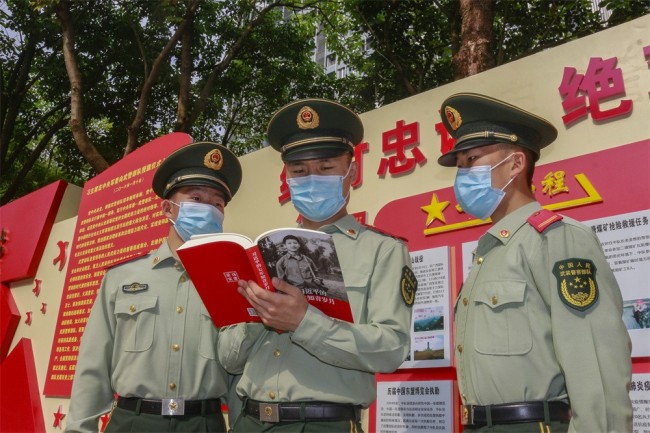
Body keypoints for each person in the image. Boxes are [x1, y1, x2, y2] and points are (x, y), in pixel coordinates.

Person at [217, 98, 417, 433]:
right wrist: (258, 314)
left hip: (323, 424)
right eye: (299, 171)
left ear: (351, 171)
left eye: (326, 168)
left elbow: (390, 349)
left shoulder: (381, 249)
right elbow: (229, 359)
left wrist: (303, 321)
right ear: (287, 178)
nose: (312, 179)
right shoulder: (261, 253)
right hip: (249, 420)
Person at [438, 93, 632, 432]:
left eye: (473, 159)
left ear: (515, 164)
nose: (464, 173)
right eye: (461, 166)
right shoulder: (492, 250)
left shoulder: (556, 239)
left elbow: (597, 368)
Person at [65, 141, 242, 433]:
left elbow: (237, 373)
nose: (207, 210)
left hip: (204, 424)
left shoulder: (232, 282)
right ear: (167, 207)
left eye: (217, 204)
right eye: (196, 198)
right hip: (132, 422)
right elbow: (93, 364)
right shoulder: (122, 277)